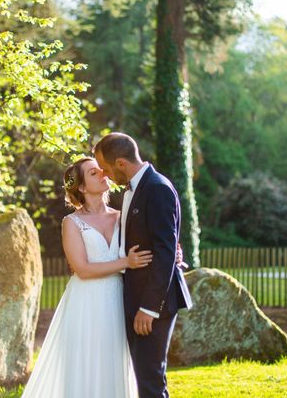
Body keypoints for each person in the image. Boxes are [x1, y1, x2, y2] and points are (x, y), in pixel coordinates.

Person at [21, 157, 150, 398]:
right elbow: (82, 269)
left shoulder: (122, 216)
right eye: (93, 173)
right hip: (86, 301)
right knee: (87, 364)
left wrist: (173, 252)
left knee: (114, 360)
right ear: (81, 187)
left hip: (118, 298)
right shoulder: (72, 223)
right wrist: (125, 263)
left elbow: (146, 245)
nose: (103, 174)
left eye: (102, 169)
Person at [93, 132, 193, 398]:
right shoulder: (133, 191)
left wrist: (149, 308)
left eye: (105, 168)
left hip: (153, 303)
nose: (105, 175)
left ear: (121, 163)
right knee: (143, 378)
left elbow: (164, 250)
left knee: (150, 381)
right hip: (136, 298)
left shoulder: (157, 188)